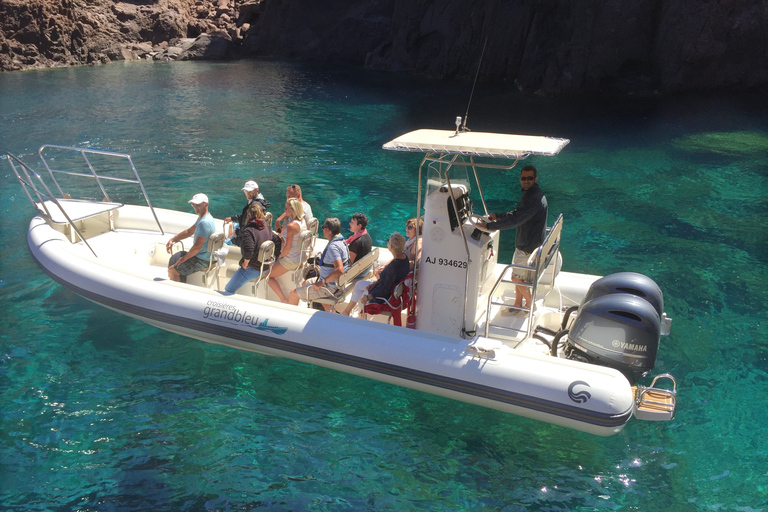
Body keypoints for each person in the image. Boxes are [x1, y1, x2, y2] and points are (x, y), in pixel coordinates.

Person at [478, 165, 548, 308]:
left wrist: (489, 227)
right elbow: (517, 213)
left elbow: (516, 220)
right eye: (524, 178)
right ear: (520, 179)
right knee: (519, 277)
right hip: (525, 242)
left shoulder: (534, 198)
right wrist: (498, 216)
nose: (526, 181)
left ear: (535, 179)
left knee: (515, 277)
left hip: (528, 246)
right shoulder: (530, 194)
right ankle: (518, 303)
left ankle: (530, 303)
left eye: (530, 178)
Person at [341, 232, 409, 316]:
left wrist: (369, 297)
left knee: (361, 294)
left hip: (386, 297)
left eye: (388, 242)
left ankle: (355, 315)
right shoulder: (404, 258)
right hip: (392, 290)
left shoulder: (393, 266)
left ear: (391, 247)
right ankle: (350, 313)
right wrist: (375, 283)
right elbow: (389, 282)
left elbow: (385, 289)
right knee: (359, 284)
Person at [289, 217, 350, 306]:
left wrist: (322, 282)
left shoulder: (333, 247)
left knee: (293, 294)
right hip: (337, 285)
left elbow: (340, 269)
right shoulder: (341, 241)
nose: (322, 229)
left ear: (328, 230)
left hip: (329, 287)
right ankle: (330, 315)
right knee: (304, 283)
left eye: (323, 227)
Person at [223, 203, 273, 294]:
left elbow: (249, 250)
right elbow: (276, 242)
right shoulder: (267, 228)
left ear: (248, 215)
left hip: (253, 268)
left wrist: (245, 264)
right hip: (265, 266)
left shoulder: (249, 230)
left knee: (228, 289)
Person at [166, 193, 217, 282]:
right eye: (193, 204)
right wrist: (173, 239)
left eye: (198, 205)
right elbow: (189, 232)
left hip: (203, 260)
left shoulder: (204, 223)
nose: (195, 207)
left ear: (206, 204)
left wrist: (183, 259)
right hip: (204, 256)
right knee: (175, 258)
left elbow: (197, 247)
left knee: (172, 270)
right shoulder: (203, 218)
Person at [267, 198, 307, 302]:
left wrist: (279, 257)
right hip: (298, 257)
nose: (284, 209)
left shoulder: (291, 226)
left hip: (290, 259)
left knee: (267, 275)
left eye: (287, 208)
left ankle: (284, 299)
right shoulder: (302, 221)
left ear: (293, 209)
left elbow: (287, 248)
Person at [224, 180, 271, 246]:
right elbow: (245, 216)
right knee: (233, 225)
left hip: (245, 238)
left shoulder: (255, 206)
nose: (248, 193)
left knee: (222, 246)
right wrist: (232, 218)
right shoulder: (257, 201)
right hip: (246, 232)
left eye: (250, 191)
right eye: (246, 191)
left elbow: (250, 226)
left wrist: (237, 233)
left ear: (256, 190)